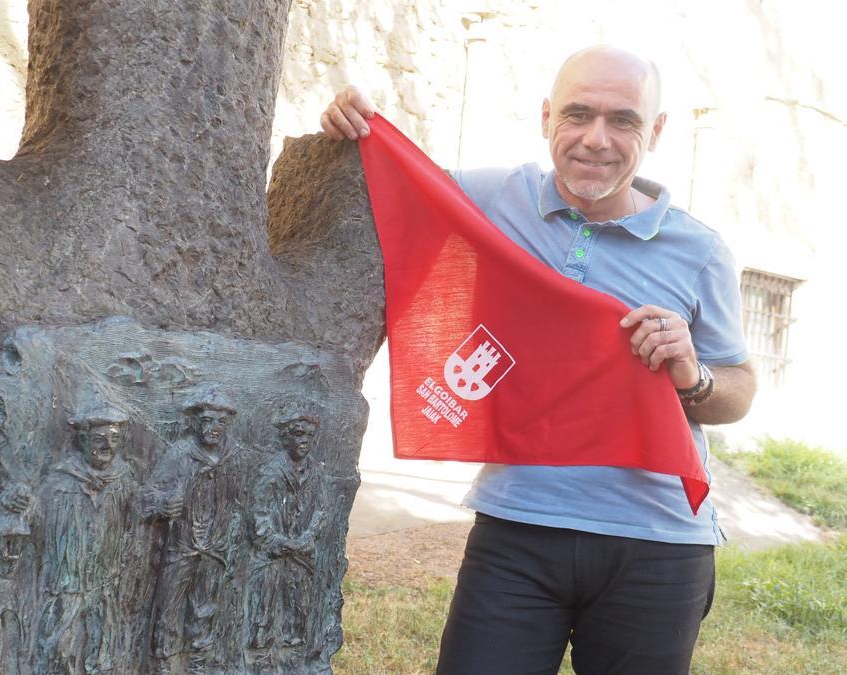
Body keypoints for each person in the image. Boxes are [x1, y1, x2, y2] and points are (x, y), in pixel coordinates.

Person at [321, 45, 757, 674]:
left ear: (655, 132)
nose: (596, 140)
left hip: (658, 544)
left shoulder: (700, 250)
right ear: (548, 117)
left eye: (624, 120)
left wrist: (693, 372)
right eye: (578, 114)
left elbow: (739, 392)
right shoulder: (495, 197)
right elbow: (393, 181)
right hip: (518, 527)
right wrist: (346, 125)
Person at [140, 386, 244, 674]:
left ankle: (198, 667)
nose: (214, 428)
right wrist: (163, 504)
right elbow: (146, 497)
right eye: (208, 421)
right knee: (168, 611)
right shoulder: (180, 454)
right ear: (196, 422)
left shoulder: (233, 458)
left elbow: (240, 503)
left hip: (214, 551)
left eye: (221, 422)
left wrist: (231, 535)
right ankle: (161, 665)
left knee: (205, 611)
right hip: (182, 549)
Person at [34, 401, 135, 674]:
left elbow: (135, 519)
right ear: (82, 439)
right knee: (58, 645)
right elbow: (35, 523)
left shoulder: (123, 479)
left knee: (103, 645)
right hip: (68, 582)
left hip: (105, 579)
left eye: (114, 439)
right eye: (100, 439)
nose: (108, 447)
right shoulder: (60, 481)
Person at [247, 404, 328, 667]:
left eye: (309, 435)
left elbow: (322, 509)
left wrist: (309, 535)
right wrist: (276, 541)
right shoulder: (272, 470)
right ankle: (259, 662)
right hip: (273, 555)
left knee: (298, 610)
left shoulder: (316, 471)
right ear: (285, 437)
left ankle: (292, 659)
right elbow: (258, 512)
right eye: (297, 434)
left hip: (302, 556)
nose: (304, 441)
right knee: (264, 612)